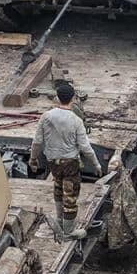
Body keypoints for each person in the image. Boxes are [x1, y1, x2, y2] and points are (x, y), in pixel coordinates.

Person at [30, 81, 102, 239]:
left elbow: (37, 142)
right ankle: (69, 231)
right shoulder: (76, 120)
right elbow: (85, 147)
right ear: (73, 99)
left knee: (58, 187)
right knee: (70, 195)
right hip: (70, 163)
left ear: (57, 98)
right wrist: (96, 164)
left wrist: (33, 159)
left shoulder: (46, 116)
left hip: (53, 161)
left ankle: (60, 220)